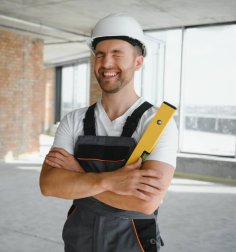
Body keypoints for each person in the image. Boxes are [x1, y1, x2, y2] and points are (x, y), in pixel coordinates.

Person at [39, 13, 178, 252]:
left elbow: (144, 203)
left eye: (117, 54)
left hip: (132, 242)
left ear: (137, 62)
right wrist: (109, 180)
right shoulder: (75, 120)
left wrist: (78, 175)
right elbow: (49, 185)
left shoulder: (157, 122)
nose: (106, 64)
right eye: (100, 55)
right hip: (78, 241)